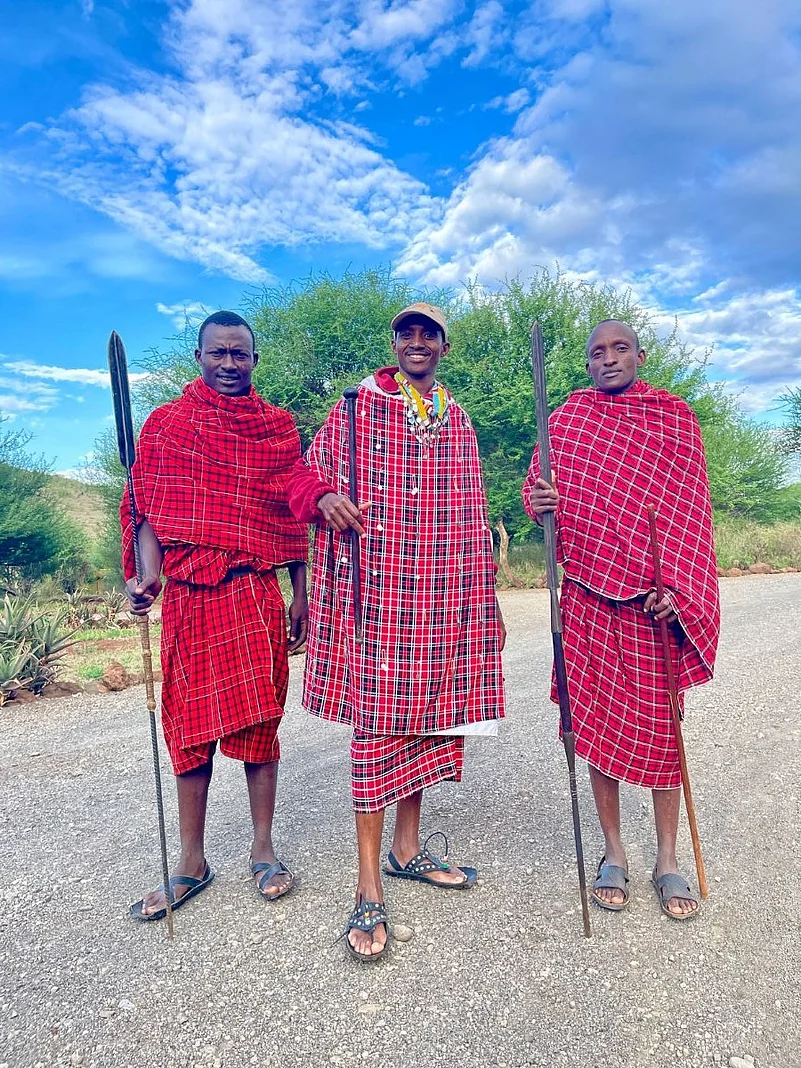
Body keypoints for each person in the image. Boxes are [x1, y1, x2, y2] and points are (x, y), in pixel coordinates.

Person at [288, 302, 506, 961]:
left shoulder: (457, 417)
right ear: (394, 341)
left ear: (443, 346)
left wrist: (483, 599)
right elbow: (302, 475)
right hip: (375, 601)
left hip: (440, 598)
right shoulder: (355, 407)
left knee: (423, 721)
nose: (417, 342)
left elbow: (471, 510)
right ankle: (367, 887)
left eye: (428, 335)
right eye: (406, 333)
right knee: (376, 731)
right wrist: (321, 497)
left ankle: (406, 850)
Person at [523, 319, 720, 920]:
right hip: (584, 597)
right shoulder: (566, 421)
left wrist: (679, 589)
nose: (608, 359)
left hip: (651, 605)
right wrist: (542, 502)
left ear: (639, 354)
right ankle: (613, 852)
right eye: (596, 352)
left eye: (619, 349)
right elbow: (537, 494)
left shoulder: (674, 418)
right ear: (586, 363)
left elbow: (691, 515)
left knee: (663, 733)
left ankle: (667, 858)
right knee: (595, 729)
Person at [123, 310, 309, 921]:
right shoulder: (166, 427)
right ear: (199, 356)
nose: (230, 363)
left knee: (260, 726)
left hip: (253, 591)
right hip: (187, 597)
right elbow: (145, 509)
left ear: (254, 360)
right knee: (189, 731)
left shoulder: (277, 429)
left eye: (241, 354)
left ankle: (263, 849)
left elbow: (291, 515)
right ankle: (191, 861)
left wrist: (301, 593)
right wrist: (147, 576)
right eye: (218, 352)